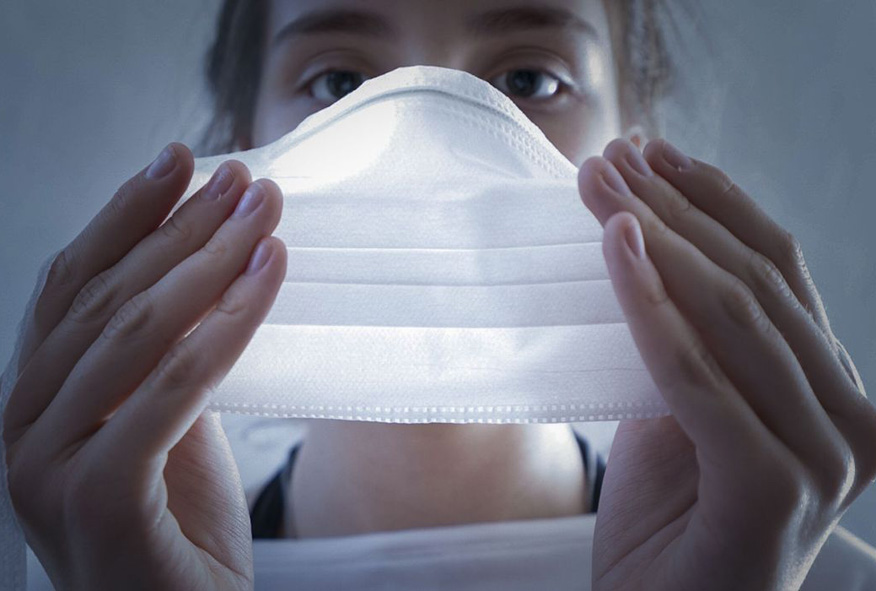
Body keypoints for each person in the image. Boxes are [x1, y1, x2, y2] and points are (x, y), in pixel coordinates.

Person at [3, 0, 875, 589]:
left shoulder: (817, 576)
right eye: (341, 84)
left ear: (635, 144)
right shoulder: (86, 560)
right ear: (244, 146)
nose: (427, 146)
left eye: (529, 79)